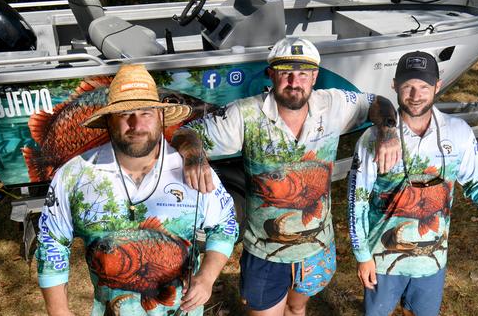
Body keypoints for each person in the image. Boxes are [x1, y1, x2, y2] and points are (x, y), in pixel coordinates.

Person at [171, 36, 401, 316]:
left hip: (318, 248)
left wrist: (389, 132)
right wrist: (194, 154)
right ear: (271, 74)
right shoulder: (245, 114)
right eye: (285, 73)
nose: (295, 81)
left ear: (314, 76)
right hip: (265, 252)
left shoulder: (335, 105)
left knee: (296, 308)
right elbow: (187, 132)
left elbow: (378, 102)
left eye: (303, 74)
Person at [35, 64, 238, 316]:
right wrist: (58, 310)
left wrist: (206, 277)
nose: (136, 124)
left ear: (161, 117)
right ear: (109, 121)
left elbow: (226, 223)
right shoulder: (74, 174)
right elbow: (52, 241)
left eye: (146, 112)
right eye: (125, 114)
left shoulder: (193, 171)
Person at [348, 51, 478, 316]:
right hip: (381, 259)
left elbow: (477, 180)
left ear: (438, 85)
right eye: (408, 86)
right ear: (394, 85)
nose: (416, 95)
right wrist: (362, 255)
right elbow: (358, 201)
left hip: (431, 259)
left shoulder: (458, 132)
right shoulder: (372, 138)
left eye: (424, 86)